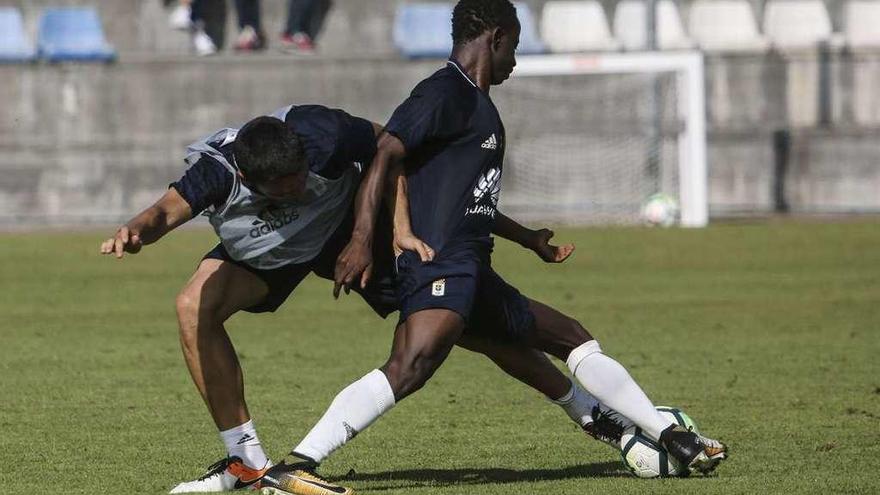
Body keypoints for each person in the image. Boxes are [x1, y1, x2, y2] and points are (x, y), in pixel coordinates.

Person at [258, 1, 728, 494]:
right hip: (439, 262)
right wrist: (361, 240)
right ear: (496, 37)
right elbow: (385, 152)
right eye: (515, 47)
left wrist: (527, 239)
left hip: (471, 268)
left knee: (571, 337)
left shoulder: (477, 106)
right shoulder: (444, 93)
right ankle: (292, 468)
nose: (515, 61)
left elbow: (469, 197)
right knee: (411, 365)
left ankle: (665, 434)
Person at [100, 103, 637, 494]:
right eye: (285, 186)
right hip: (272, 249)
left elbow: (392, 152)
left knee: (464, 323)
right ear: (248, 176)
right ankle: (246, 463)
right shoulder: (218, 171)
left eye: (301, 176)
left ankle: (588, 410)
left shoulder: (321, 134)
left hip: (359, 233)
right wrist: (134, 232)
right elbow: (163, 212)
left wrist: (395, 231)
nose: (300, 185)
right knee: (193, 306)